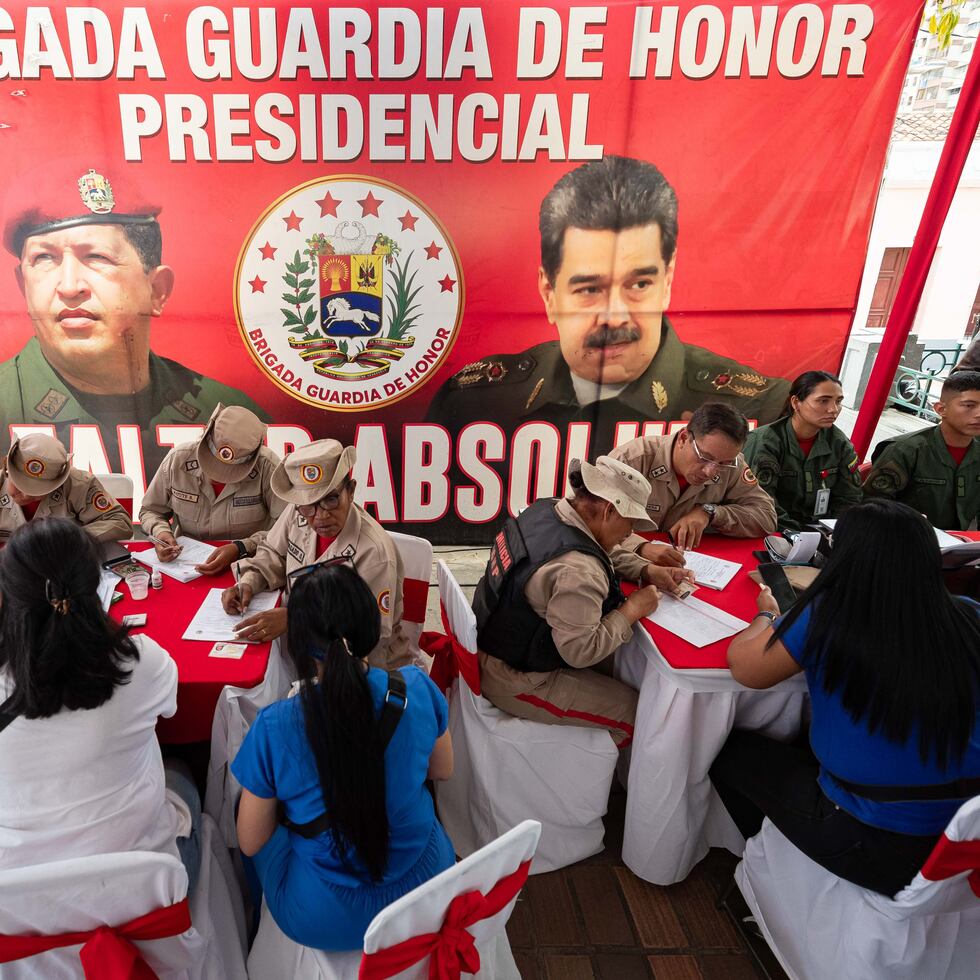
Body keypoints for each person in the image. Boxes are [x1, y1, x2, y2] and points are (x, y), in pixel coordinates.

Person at [426, 155, 789, 458]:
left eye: (639, 284)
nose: (615, 315)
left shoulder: (760, 409)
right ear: (549, 293)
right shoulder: (473, 403)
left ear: (668, 281)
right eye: (589, 289)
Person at [709, 500, 980, 897]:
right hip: (962, 842)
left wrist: (766, 616)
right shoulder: (969, 614)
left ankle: (772, 865)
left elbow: (746, 668)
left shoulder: (829, 614)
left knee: (725, 750)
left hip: (873, 842)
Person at [232, 562, 454, 951]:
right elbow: (443, 769)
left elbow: (251, 843)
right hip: (428, 890)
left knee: (249, 813)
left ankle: (252, 935)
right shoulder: (416, 687)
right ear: (370, 625)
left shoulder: (275, 726)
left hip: (327, 916)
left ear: (298, 642)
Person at [0, 161, 267, 476]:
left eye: (97, 257)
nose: (69, 287)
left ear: (156, 290)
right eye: (44, 258)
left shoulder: (229, 415)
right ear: (23, 286)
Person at [0, 519, 199, 890]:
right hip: (141, 883)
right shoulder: (141, 661)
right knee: (182, 775)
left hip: (21, 899)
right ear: (95, 585)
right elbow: (170, 709)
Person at [473, 456, 691, 746]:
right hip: (516, 679)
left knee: (627, 668)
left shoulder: (548, 510)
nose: (630, 533)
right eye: (631, 521)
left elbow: (594, 546)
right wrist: (632, 609)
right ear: (610, 510)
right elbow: (581, 651)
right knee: (642, 715)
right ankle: (608, 786)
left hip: (495, 640)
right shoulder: (579, 572)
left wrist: (646, 569)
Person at [223, 440, 411, 668]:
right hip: (303, 650)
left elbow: (368, 629)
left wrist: (295, 619)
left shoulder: (375, 553)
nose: (320, 516)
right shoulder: (297, 513)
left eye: (331, 499)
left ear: (350, 491)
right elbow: (273, 553)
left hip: (363, 669)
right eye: (308, 505)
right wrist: (248, 583)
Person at [610, 402, 777, 564]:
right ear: (684, 438)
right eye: (705, 457)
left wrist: (710, 513)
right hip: (625, 566)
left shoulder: (733, 464)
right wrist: (640, 547)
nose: (710, 471)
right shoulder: (631, 460)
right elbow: (590, 524)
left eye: (724, 463)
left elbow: (766, 517)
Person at [139, 404, 284, 576]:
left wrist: (242, 547)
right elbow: (150, 510)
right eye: (212, 463)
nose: (218, 476)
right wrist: (161, 532)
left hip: (248, 566)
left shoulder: (268, 467)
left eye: (230, 472)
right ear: (206, 436)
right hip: (185, 566)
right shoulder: (177, 460)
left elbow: (285, 528)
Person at [743, 371, 863, 531]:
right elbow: (762, 501)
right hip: (774, 528)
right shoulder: (764, 442)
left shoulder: (839, 443)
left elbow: (849, 498)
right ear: (796, 402)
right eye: (823, 401)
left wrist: (835, 531)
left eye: (838, 401)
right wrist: (800, 533)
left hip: (823, 529)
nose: (833, 409)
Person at [864, 370, 980, 530]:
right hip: (905, 540)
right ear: (940, 409)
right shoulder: (905, 450)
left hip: (962, 545)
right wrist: (905, 519)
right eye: (969, 406)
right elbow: (872, 506)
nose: (978, 414)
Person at [0, 432, 131, 544]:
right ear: (7, 470)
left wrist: (69, 538)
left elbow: (120, 522)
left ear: (56, 483)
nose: (27, 496)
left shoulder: (79, 484)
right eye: (19, 484)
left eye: (37, 491)